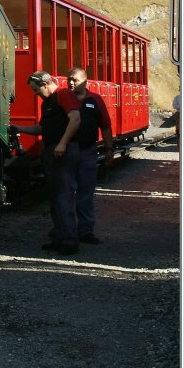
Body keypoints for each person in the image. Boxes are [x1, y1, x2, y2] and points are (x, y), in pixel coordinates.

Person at [9, 71, 81, 255]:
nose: (35, 94)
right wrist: (20, 128)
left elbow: (75, 119)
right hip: (52, 150)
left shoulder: (63, 95)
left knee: (63, 195)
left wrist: (63, 143)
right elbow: (42, 128)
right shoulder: (48, 102)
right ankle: (59, 237)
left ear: (44, 84)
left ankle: (69, 241)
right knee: (55, 196)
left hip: (63, 151)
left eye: (36, 89)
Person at [67, 67, 114, 245]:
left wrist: (109, 149)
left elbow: (106, 126)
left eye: (75, 80)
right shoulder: (63, 98)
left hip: (88, 151)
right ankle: (67, 230)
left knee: (85, 193)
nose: (71, 82)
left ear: (85, 81)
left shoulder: (95, 100)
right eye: (69, 79)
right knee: (66, 192)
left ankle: (85, 231)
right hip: (68, 151)